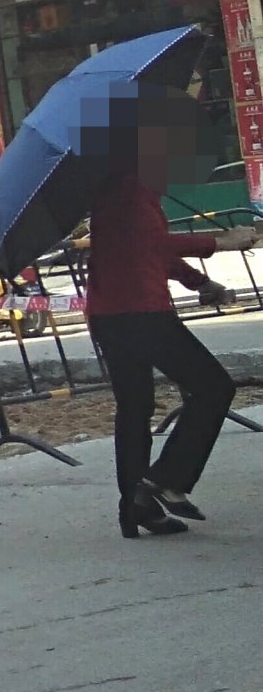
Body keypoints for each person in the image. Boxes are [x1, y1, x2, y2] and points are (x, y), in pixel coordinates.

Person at [84, 112, 240, 539]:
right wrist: (219, 242)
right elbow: (152, 243)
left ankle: (136, 508)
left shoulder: (120, 186)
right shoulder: (132, 187)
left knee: (135, 409)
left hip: (112, 314)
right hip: (141, 314)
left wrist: (199, 282)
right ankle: (167, 479)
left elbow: (146, 252)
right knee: (213, 387)